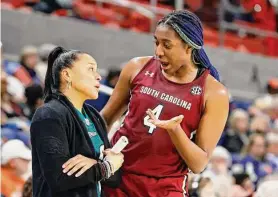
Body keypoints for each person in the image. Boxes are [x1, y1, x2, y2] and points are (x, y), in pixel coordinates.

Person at [102, 10, 229, 197]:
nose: (158, 51)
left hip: (166, 188)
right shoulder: (137, 67)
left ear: (189, 47)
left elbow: (198, 164)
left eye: (167, 45)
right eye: (156, 42)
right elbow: (104, 119)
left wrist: (175, 130)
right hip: (118, 179)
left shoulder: (214, 92)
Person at [30, 46, 124, 197]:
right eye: (90, 69)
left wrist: (100, 165)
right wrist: (105, 167)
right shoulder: (49, 114)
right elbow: (59, 178)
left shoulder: (93, 115)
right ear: (67, 74)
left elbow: (115, 177)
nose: (99, 76)